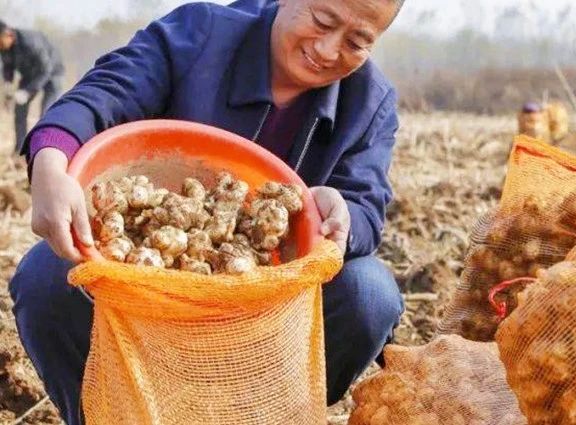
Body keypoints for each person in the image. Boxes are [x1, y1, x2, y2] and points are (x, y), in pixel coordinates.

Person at [8, 0, 406, 423]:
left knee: (370, 293)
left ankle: (262, 416)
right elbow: (101, 95)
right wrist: (50, 161)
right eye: (322, 21)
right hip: (142, 294)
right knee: (46, 276)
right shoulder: (199, 33)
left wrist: (341, 213)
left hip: (269, 308)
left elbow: (366, 202)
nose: (328, 50)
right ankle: (106, 414)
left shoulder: (371, 104)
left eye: (357, 42)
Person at [0, 19, 64, 153]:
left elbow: (45, 70)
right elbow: (8, 68)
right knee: (19, 109)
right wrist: (7, 90)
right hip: (29, 75)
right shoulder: (5, 47)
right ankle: (20, 149)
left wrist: (27, 92)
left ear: (8, 34)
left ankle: (44, 148)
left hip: (52, 73)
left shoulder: (30, 42)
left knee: (47, 110)